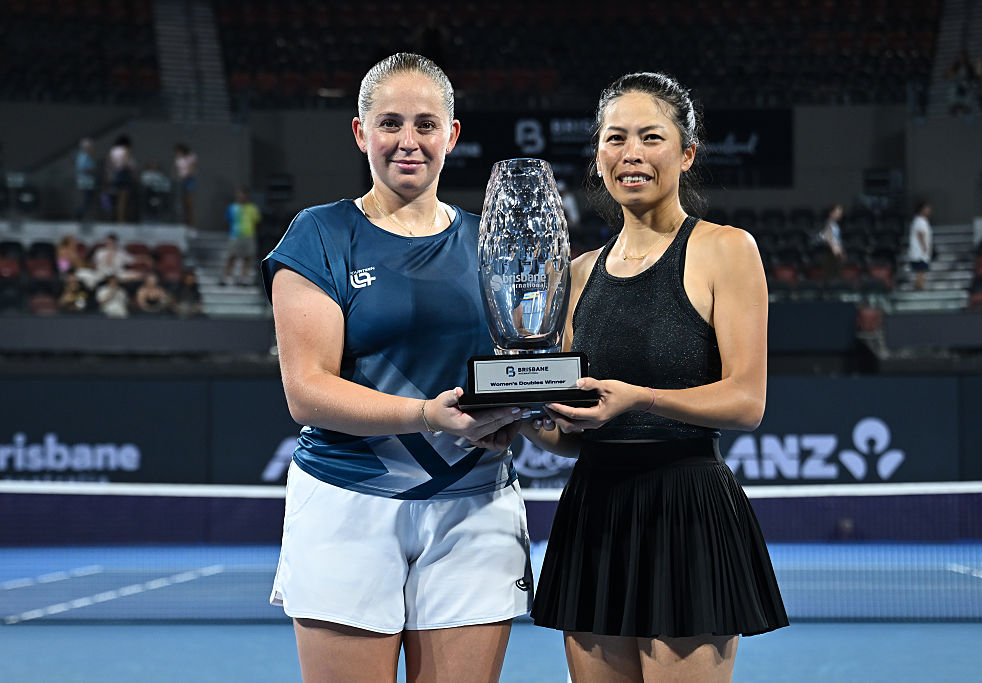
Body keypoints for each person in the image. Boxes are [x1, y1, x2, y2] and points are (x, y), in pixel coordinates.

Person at [259, 53, 528, 683]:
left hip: (475, 508)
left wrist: (534, 416)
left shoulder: (491, 243)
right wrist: (426, 416)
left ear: (452, 136)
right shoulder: (319, 234)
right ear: (360, 132)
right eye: (390, 123)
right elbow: (307, 391)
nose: (408, 141)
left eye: (426, 125)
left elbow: (515, 370)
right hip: (347, 506)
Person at [524, 72, 788, 682]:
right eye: (616, 138)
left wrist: (638, 399)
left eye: (651, 137)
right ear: (597, 156)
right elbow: (570, 434)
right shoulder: (577, 276)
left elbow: (747, 401)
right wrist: (526, 421)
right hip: (595, 514)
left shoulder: (727, 250)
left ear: (686, 153)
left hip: (687, 513)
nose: (632, 154)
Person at [221, 188, 261, 285]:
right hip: (234, 235)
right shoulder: (232, 207)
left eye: (243, 194)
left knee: (247, 257)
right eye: (239, 194)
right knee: (231, 256)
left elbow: (256, 221)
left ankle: (244, 278)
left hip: (248, 235)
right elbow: (227, 220)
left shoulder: (252, 208)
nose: (241, 196)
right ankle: (227, 277)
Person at [107, 135, 136, 223]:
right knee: (123, 200)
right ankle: (121, 219)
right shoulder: (125, 150)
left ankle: (115, 218)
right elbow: (125, 162)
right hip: (123, 174)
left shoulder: (113, 151)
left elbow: (110, 163)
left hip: (115, 174)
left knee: (116, 199)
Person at [816, 203, 845, 283]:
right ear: (831, 213)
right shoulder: (829, 224)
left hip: (834, 254)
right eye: (837, 212)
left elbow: (837, 240)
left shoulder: (835, 225)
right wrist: (837, 252)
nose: (839, 215)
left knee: (835, 276)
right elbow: (830, 239)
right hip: (830, 253)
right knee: (829, 277)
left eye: (840, 213)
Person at [908, 201, 933, 290]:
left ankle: (919, 286)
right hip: (920, 251)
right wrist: (924, 246)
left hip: (920, 251)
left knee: (922, 271)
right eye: (927, 209)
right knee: (921, 271)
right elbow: (920, 233)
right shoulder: (920, 221)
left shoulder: (920, 220)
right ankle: (918, 287)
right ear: (921, 210)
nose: (929, 210)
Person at [174, 143, 198, 226]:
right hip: (181, 181)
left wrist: (185, 176)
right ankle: (184, 225)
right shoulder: (178, 159)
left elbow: (192, 169)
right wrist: (179, 177)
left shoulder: (191, 156)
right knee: (183, 205)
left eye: (178, 151)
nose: (177, 153)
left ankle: (191, 226)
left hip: (189, 180)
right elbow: (178, 171)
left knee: (189, 204)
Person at [75, 138, 98, 221]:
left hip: (89, 182)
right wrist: (93, 171)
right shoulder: (83, 157)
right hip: (85, 182)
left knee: (88, 201)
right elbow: (83, 169)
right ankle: (79, 215)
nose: (93, 149)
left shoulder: (88, 157)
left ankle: (83, 216)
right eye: (91, 147)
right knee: (86, 201)